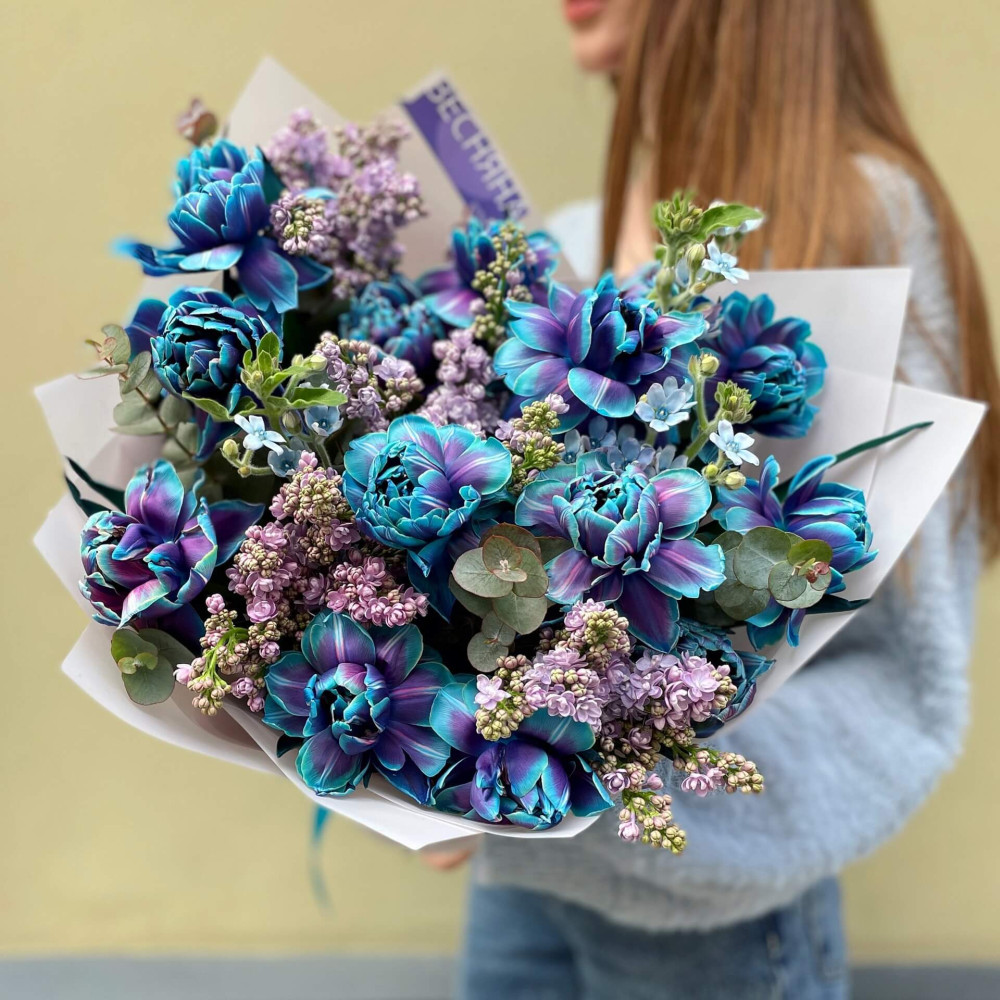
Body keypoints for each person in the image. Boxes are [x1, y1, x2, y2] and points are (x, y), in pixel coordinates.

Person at [430, 2, 1000, 997]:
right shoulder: (579, 234)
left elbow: (904, 681)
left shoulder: (861, 214)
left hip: (714, 922)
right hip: (523, 879)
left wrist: (607, 774)